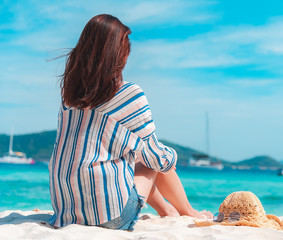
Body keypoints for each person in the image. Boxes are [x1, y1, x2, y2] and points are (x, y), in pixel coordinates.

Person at [48, 14, 212, 230]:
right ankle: (189, 211)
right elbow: (156, 159)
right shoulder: (128, 94)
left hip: (66, 213)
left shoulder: (68, 97)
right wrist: (172, 155)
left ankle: (167, 211)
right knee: (153, 158)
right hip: (110, 217)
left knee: (136, 156)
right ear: (119, 55)